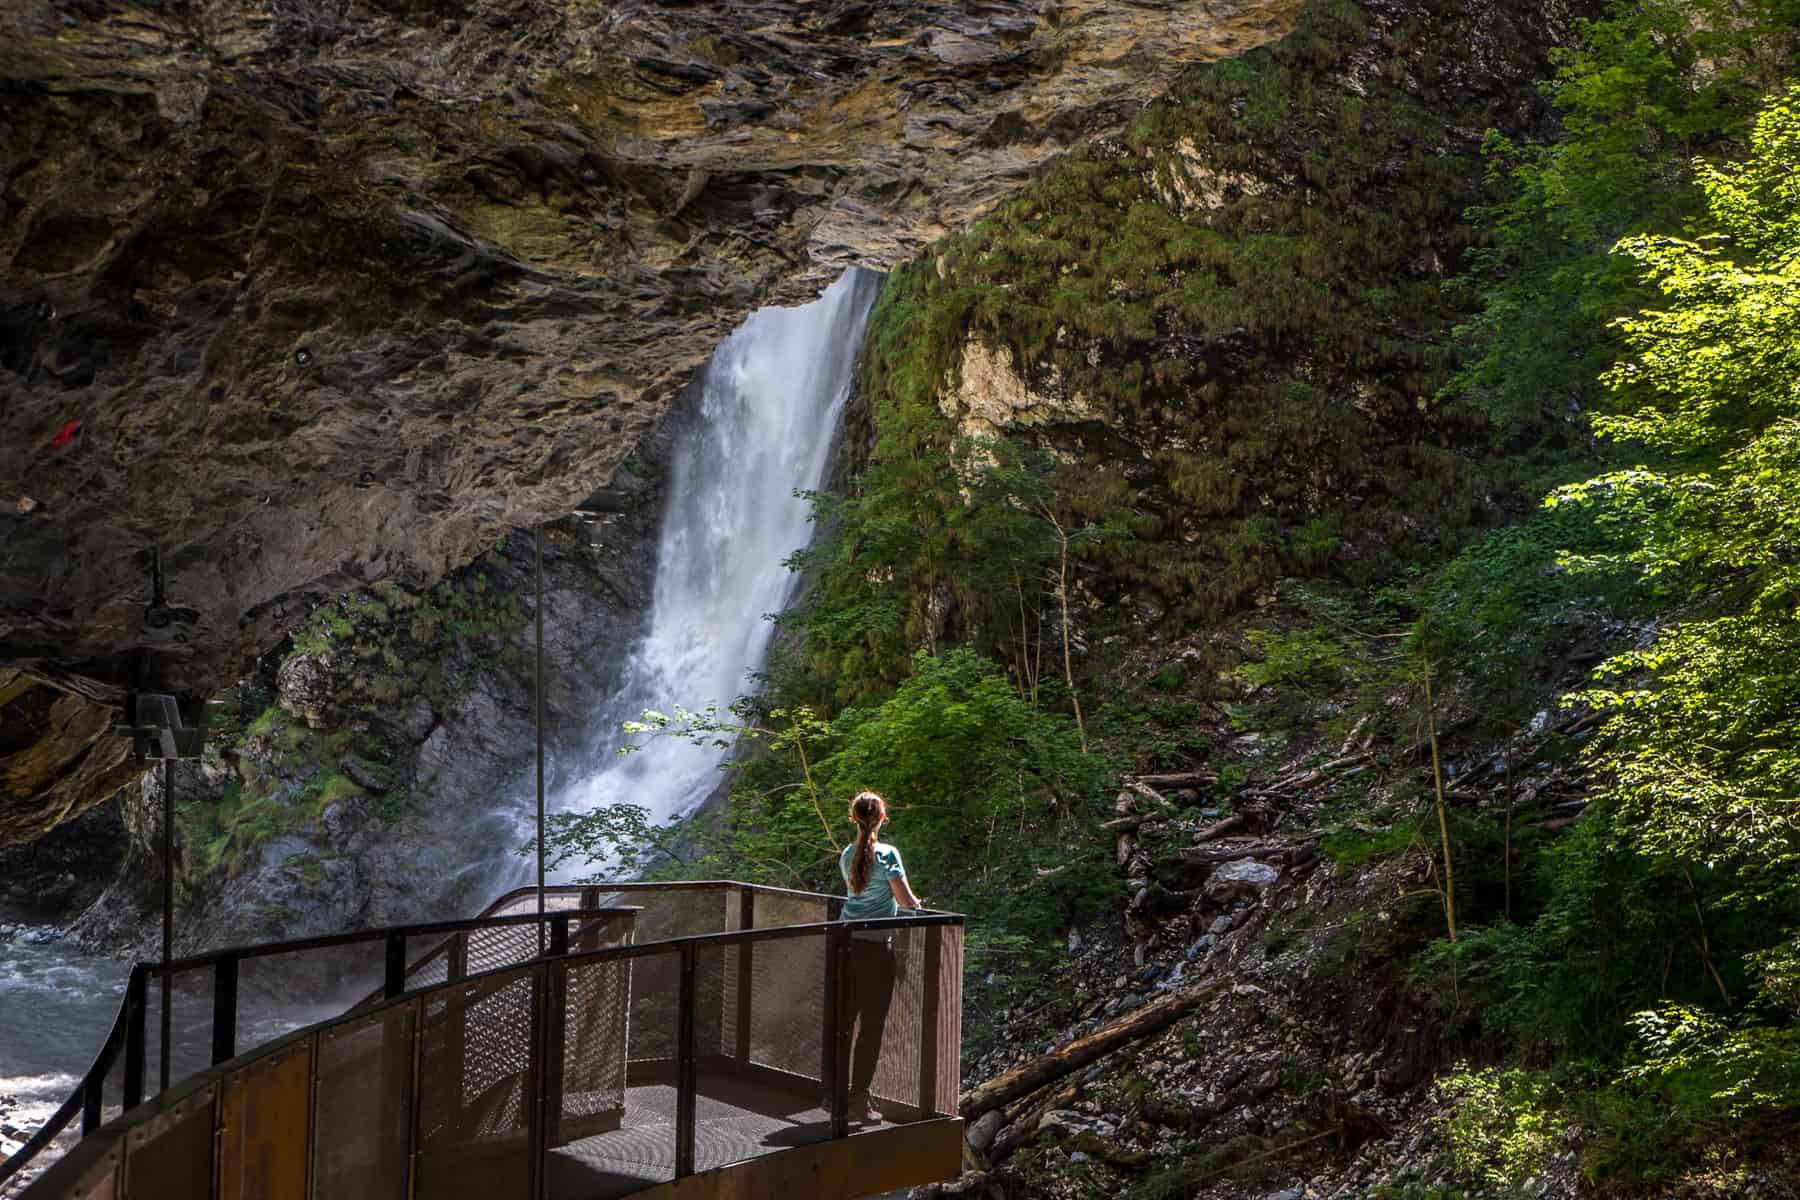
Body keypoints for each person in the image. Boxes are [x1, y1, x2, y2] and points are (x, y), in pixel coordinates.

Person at [837, 790, 921, 1123]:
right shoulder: (887, 854)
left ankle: (835, 1096)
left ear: (853, 818)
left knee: (842, 1025)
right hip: (874, 949)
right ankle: (858, 1099)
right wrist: (916, 905)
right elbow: (905, 901)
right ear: (883, 818)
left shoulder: (846, 854)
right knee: (871, 1028)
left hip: (844, 945)